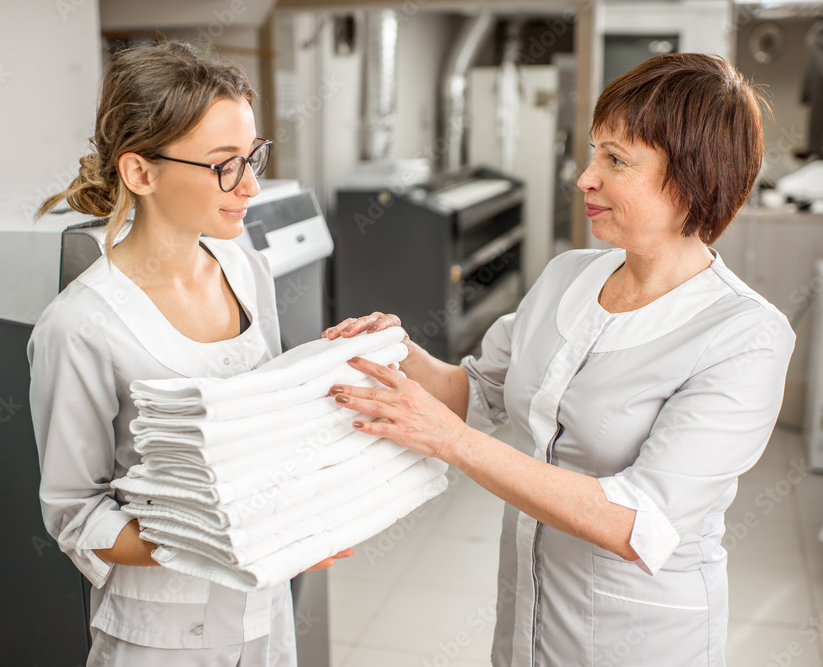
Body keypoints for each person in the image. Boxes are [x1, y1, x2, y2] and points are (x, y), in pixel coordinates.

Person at [325, 53, 795, 666]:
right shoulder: (568, 277)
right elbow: (480, 393)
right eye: (594, 151)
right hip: (527, 613)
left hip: (639, 637)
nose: (585, 178)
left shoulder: (744, 336)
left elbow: (637, 522)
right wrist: (400, 353)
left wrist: (453, 443)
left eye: (616, 159)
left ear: (693, 178)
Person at [27, 41, 347, 667]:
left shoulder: (244, 266)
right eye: (224, 164)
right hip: (160, 639)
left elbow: (266, 427)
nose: (250, 184)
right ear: (140, 173)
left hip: (265, 608)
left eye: (253, 156)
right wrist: (221, 540)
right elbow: (75, 515)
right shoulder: (81, 326)